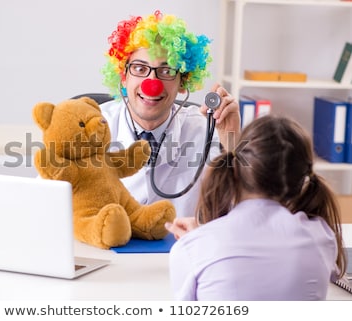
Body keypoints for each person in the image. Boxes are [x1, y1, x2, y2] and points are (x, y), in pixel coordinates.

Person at [165, 115, 347, 300]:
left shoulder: (191, 250)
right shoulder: (323, 237)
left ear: (235, 170)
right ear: (303, 178)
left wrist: (199, 240)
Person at [100, 10, 241, 218]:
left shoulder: (205, 130)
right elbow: (46, 200)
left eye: (166, 72)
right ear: (123, 76)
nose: (152, 84)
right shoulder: (92, 124)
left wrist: (231, 141)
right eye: (140, 68)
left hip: (180, 248)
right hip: (102, 248)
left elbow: (242, 211)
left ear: (183, 82)